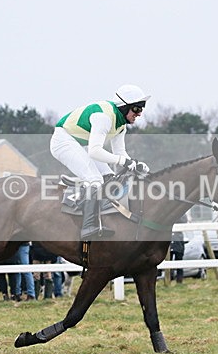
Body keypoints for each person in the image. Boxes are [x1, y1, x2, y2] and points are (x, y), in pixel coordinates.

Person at [50, 84, 151, 239]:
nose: (139, 114)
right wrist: (124, 161)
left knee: (109, 178)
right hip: (63, 141)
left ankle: (103, 217)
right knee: (95, 180)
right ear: (124, 107)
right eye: (136, 109)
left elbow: (120, 153)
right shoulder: (104, 117)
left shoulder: (121, 125)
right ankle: (88, 227)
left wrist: (135, 164)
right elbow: (95, 151)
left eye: (141, 109)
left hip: (82, 144)